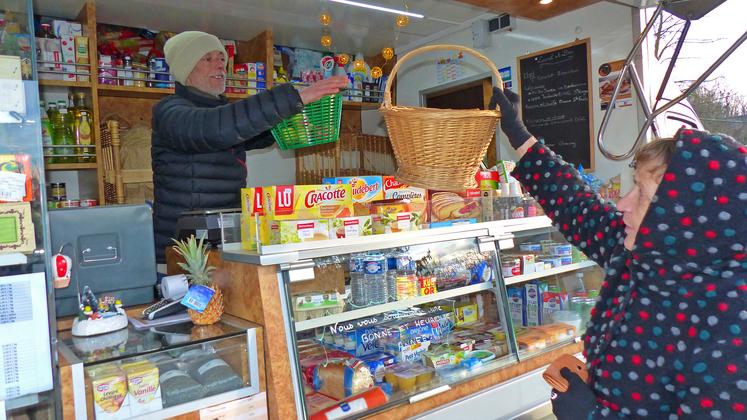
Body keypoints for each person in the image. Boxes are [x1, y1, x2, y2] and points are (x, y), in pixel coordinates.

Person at [491, 88, 746, 419]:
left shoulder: (731, 323)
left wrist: (592, 416)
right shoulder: (644, 258)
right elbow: (579, 208)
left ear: (683, 215)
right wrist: (519, 135)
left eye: (641, 192)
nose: (623, 204)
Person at [152, 31, 348, 263]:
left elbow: (253, 130)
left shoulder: (223, 112)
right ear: (185, 68)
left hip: (223, 240)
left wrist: (296, 117)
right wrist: (295, 97)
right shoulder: (169, 112)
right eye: (208, 59)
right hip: (181, 251)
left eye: (222, 59)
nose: (220, 66)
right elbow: (216, 129)